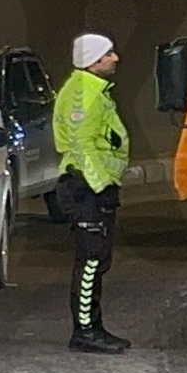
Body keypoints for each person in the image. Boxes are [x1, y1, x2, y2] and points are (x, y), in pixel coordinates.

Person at [54, 32, 131, 354]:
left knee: (97, 261)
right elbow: (80, 143)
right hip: (86, 189)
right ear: (93, 61)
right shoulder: (84, 93)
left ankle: (93, 327)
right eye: (108, 53)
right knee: (90, 262)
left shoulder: (92, 90)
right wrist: (100, 186)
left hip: (90, 188)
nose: (115, 58)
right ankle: (85, 331)